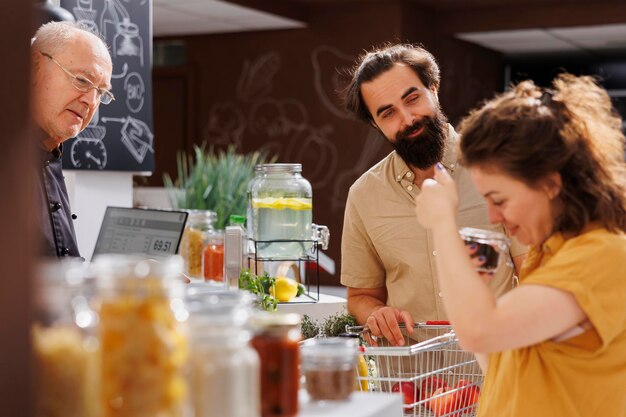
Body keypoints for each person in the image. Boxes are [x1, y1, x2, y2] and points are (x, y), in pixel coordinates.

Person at [415, 74, 626, 416]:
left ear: (549, 185)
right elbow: (502, 365)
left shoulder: (602, 255)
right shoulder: (548, 253)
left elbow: (480, 333)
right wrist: (472, 287)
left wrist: (442, 223)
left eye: (499, 199)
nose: (494, 217)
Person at [340, 43, 526, 346]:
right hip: (412, 383)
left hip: (497, 373)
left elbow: (532, 269)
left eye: (412, 98)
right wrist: (376, 312)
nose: (408, 118)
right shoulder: (364, 196)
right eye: (388, 113)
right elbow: (361, 296)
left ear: (434, 89)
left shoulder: (500, 170)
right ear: (376, 124)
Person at [31, 21, 114, 257]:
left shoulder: (49, 153)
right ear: (35, 68)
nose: (91, 101)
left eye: (100, 92)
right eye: (82, 81)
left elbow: (58, 275)